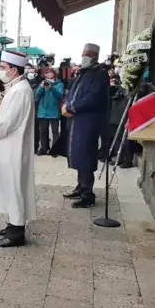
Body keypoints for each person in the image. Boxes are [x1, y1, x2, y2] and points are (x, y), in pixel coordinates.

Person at [0, 51, 36, 248]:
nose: (1, 72)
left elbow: (7, 122)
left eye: (3, 68)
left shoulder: (20, 90)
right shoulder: (15, 87)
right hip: (9, 146)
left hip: (13, 146)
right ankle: (12, 223)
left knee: (14, 186)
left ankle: (16, 231)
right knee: (8, 185)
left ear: (14, 70)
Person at [62, 43, 109, 208]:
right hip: (76, 120)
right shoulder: (82, 72)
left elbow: (93, 97)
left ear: (95, 56)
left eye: (87, 54)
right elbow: (71, 92)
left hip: (88, 121)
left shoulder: (100, 74)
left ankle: (88, 193)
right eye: (83, 53)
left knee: (86, 154)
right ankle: (80, 186)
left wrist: (72, 107)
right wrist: (67, 105)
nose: (84, 56)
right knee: (77, 153)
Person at [35, 68, 64, 155]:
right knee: (43, 131)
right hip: (43, 111)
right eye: (47, 73)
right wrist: (41, 87)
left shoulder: (59, 84)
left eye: (51, 72)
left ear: (54, 74)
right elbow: (37, 95)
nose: (49, 74)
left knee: (55, 131)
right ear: (45, 75)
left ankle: (55, 149)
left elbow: (59, 95)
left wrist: (51, 88)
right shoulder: (42, 83)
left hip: (53, 110)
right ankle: (43, 148)